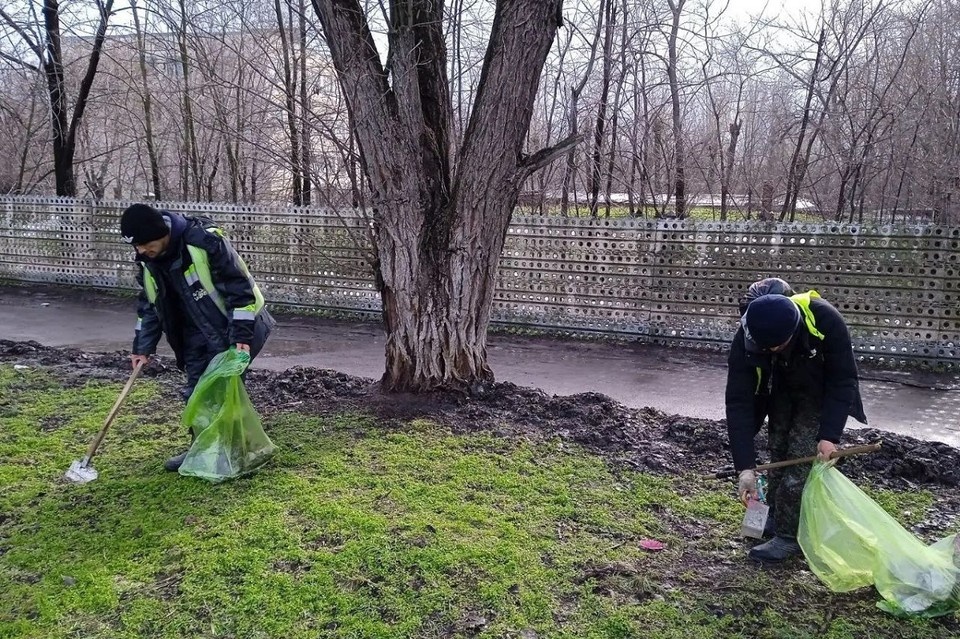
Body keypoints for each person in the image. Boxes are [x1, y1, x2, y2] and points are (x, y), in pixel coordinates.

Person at [121, 203, 276, 471]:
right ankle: (203, 449)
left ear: (160, 233)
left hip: (233, 328)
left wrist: (241, 335)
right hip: (190, 334)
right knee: (196, 393)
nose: (141, 251)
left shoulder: (204, 241)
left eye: (145, 244)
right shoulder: (149, 262)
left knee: (223, 391)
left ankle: (235, 451)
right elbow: (149, 305)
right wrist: (142, 347)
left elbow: (240, 290)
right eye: (136, 247)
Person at [725, 289, 867, 562]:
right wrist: (744, 466)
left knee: (798, 466)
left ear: (791, 333)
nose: (766, 352)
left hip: (819, 395)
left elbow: (843, 380)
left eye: (773, 348)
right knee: (778, 451)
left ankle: (790, 538)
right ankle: (777, 518)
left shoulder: (826, 320)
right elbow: (738, 400)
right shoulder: (747, 335)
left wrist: (829, 436)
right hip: (781, 391)